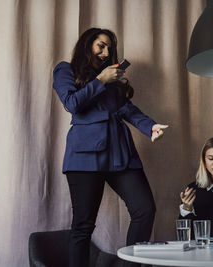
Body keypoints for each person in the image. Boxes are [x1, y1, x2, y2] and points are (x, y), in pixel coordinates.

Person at [52, 28, 168, 267]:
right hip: (84, 157)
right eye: (100, 45)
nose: (105, 52)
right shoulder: (65, 69)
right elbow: (72, 103)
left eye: (109, 49)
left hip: (120, 154)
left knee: (144, 209)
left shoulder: (112, 82)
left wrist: (150, 127)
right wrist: (101, 80)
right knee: (83, 226)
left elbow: (127, 109)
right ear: (87, 44)